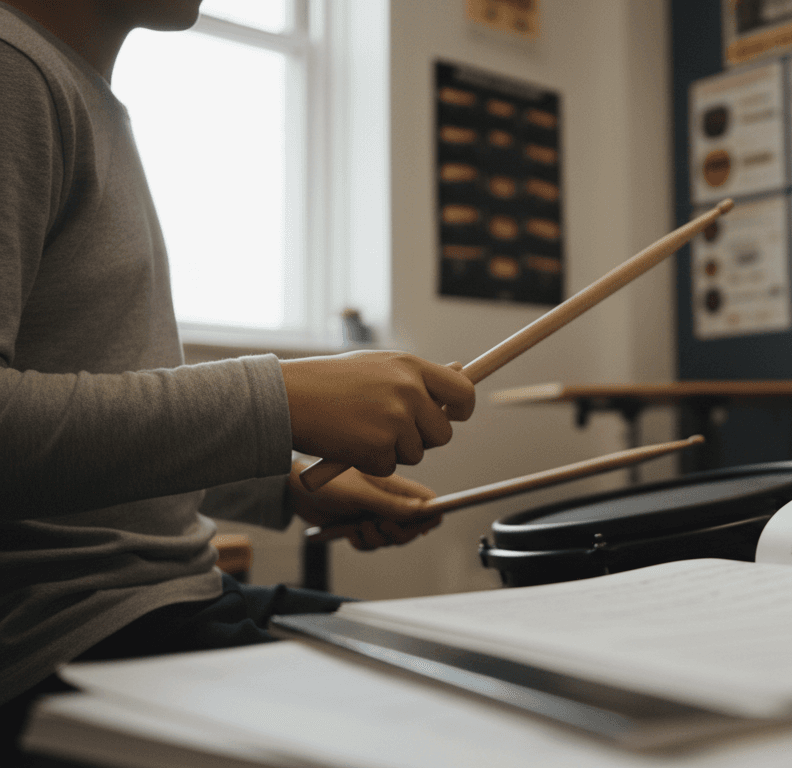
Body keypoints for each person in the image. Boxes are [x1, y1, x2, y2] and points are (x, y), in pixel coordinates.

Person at [0, 0, 475, 756]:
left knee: (481, 670)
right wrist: (280, 401)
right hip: (66, 641)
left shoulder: (76, 92)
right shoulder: (12, 71)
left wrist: (278, 484)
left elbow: (91, 416)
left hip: (173, 599)